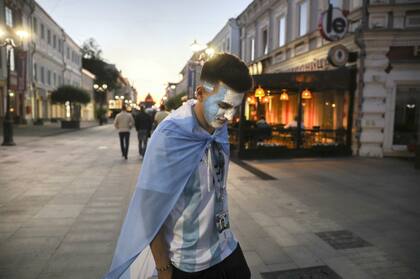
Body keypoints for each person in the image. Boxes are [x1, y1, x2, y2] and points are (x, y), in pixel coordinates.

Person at [103, 53, 253, 279]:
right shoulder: (169, 136)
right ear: (200, 93)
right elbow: (148, 209)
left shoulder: (219, 127)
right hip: (189, 262)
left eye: (235, 107)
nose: (229, 116)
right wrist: (164, 269)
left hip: (226, 248)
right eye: (223, 105)